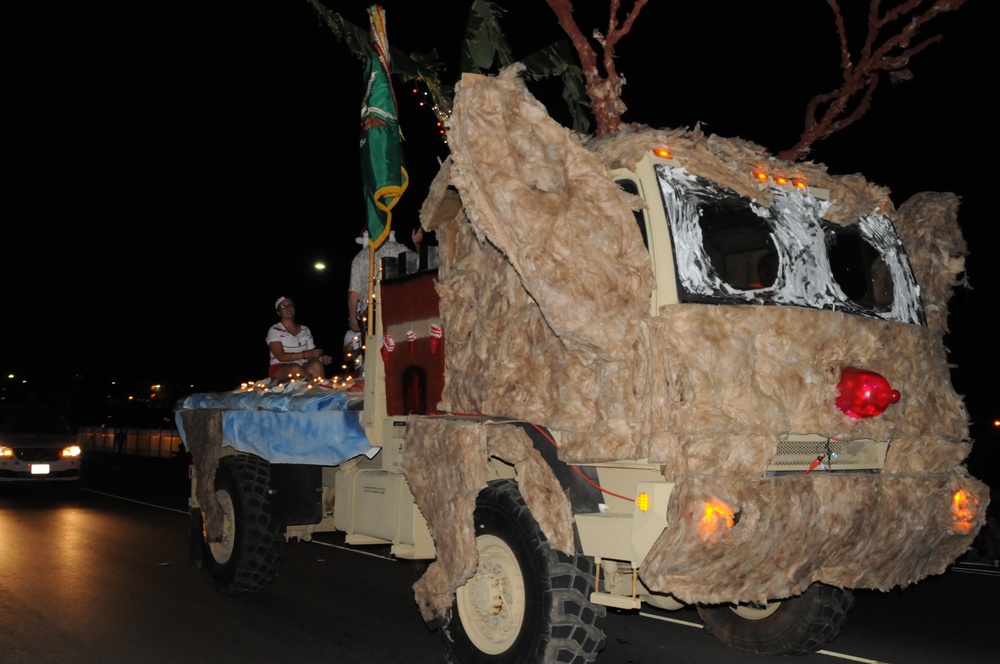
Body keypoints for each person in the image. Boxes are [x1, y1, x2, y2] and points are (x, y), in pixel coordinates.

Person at [346, 226, 422, 335]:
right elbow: (420, 264)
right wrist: (417, 243)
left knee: (374, 345)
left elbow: (353, 293)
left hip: (371, 312)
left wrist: (353, 319)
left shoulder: (359, 258)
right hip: (399, 305)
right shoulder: (398, 248)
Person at [267, 296, 332, 381]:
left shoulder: (305, 329)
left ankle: (318, 387)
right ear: (278, 312)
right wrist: (306, 354)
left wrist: (321, 359)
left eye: (291, 305)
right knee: (295, 369)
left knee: (316, 365)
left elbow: (312, 355)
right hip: (281, 367)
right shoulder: (274, 330)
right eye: (283, 306)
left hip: (303, 365)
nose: (288, 307)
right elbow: (281, 357)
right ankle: (313, 385)